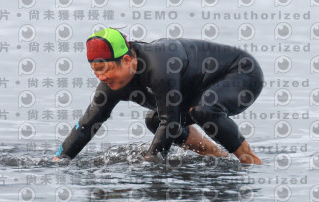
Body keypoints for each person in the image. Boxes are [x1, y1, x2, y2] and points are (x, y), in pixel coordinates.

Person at [52, 27, 265, 164]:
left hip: (241, 73)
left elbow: (171, 121)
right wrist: (60, 159)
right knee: (153, 120)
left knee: (203, 111)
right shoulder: (110, 82)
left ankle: (251, 161)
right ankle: (216, 155)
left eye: (105, 69)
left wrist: (151, 161)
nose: (102, 78)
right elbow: (87, 125)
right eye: (96, 71)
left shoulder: (159, 65)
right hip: (198, 89)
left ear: (127, 60)